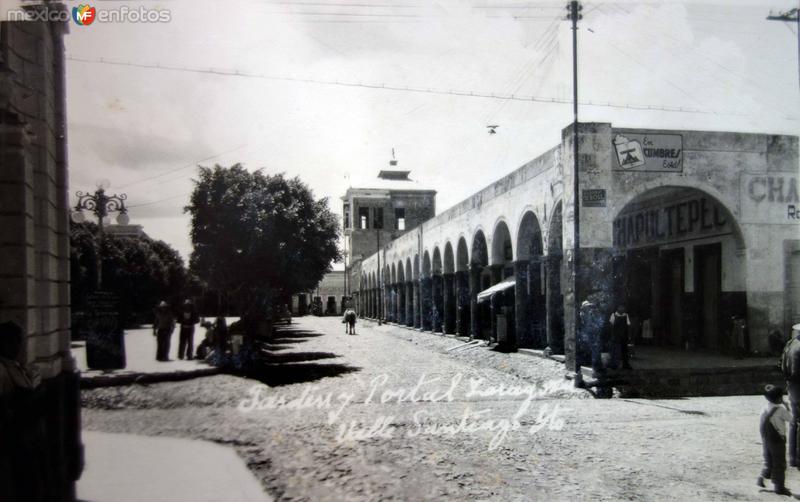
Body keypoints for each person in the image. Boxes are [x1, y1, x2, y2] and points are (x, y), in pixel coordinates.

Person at [758, 384, 792, 496]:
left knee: (768, 461)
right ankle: (779, 487)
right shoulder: (781, 409)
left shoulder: (764, 408)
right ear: (779, 398)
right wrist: (787, 407)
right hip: (777, 440)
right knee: (779, 463)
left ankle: (761, 478)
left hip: (766, 439)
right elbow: (791, 419)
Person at [781, 323, 800, 467]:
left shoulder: (790, 343)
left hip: (792, 387)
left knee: (794, 422)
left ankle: (793, 457)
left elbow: (782, 365)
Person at [578, 298, 604, 375]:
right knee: (594, 350)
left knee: (595, 349)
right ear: (584, 307)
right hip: (587, 334)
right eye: (587, 307)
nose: (589, 308)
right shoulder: (582, 314)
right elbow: (585, 324)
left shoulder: (590, 313)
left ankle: (597, 366)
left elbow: (595, 322)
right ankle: (595, 367)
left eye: (589, 306)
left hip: (592, 333)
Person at [609, 305, 632, 370]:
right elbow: (611, 326)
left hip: (624, 336)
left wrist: (629, 336)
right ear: (617, 308)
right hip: (616, 336)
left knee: (625, 351)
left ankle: (625, 365)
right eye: (620, 307)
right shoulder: (613, 315)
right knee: (615, 351)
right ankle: (614, 365)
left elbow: (628, 326)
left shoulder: (626, 315)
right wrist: (612, 336)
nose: (622, 308)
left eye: (623, 307)